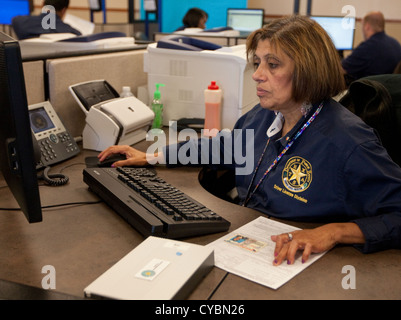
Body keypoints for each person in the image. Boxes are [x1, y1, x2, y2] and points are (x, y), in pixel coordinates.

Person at [99, 15, 401, 266]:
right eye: (257, 62)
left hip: (298, 266)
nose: (257, 75)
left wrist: (333, 232)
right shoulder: (263, 116)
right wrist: (153, 156)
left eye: (272, 64)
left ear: (308, 70)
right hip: (249, 242)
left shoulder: (349, 143)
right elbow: (223, 146)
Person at [342, 11, 401, 82]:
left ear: (367, 27)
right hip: (389, 90)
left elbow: (342, 69)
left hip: (370, 90)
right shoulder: (395, 43)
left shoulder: (368, 47)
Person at [12, 0, 81, 40]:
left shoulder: (20, 23)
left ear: (43, 4)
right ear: (63, 10)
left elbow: (14, 20)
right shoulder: (73, 33)